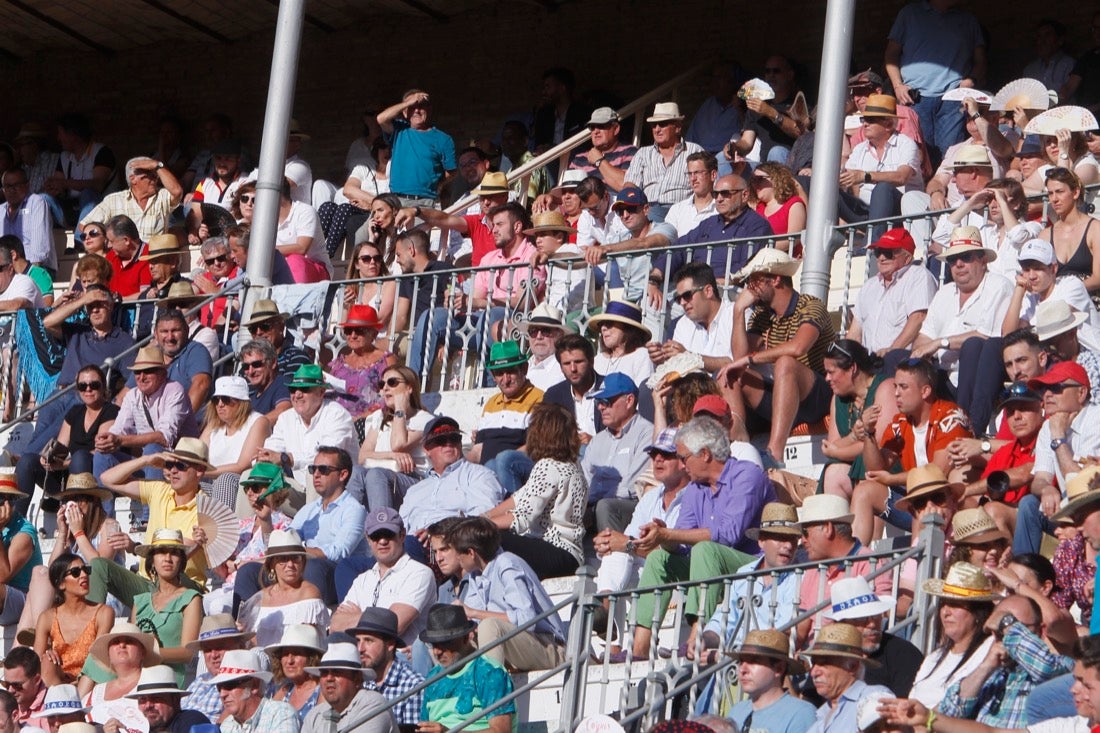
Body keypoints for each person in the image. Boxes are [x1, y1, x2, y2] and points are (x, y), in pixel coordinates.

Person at [629, 416, 773, 658]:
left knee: (705, 550)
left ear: (705, 454)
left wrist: (670, 533)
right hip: (714, 566)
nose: (683, 466)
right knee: (658, 559)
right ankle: (639, 648)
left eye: (684, 458)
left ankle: (697, 636)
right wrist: (663, 538)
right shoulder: (696, 489)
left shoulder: (747, 475)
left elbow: (728, 535)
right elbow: (682, 543)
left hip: (753, 566)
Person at [725, 248, 835, 468]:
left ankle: (774, 453)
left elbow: (798, 347)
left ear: (775, 279)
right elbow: (739, 357)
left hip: (819, 393)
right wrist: (738, 310)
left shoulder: (810, 305)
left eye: (754, 281)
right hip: (784, 392)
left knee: (786, 363)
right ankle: (738, 441)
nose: (749, 288)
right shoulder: (761, 314)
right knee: (730, 373)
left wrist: (751, 359)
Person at [853, 356, 972, 544]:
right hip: (916, 503)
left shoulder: (951, 416)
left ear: (925, 391)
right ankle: (854, 562)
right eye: (895, 387)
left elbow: (937, 473)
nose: (896, 394)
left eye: (903, 387)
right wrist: (868, 433)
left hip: (945, 503)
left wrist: (892, 479)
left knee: (933, 497)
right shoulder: (900, 422)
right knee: (864, 491)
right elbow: (875, 468)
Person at [235, 447, 367, 607]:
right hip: (305, 568)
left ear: (343, 474)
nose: (316, 474)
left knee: (313, 566)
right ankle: (250, 624)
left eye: (323, 469)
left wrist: (298, 552)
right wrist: (266, 521)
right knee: (248, 572)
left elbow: (338, 553)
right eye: (313, 469)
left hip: (336, 575)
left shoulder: (354, 510)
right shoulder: (310, 510)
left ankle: (310, 621)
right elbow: (281, 544)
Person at [94, 438, 212, 606]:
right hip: (147, 582)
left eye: (181, 466)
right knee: (99, 566)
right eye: (169, 464)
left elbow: (175, 557)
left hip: (183, 586)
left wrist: (135, 548)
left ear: (199, 471)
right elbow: (107, 479)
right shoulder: (159, 489)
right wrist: (146, 460)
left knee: (167, 571)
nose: (173, 471)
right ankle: (90, 625)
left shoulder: (206, 509)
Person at [447, 517, 567, 672]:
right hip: (515, 647)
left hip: (549, 647)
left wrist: (473, 613)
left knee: (489, 625)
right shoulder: (474, 576)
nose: (456, 558)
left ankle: (492, 692)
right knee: (447, 638)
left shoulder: (507, 564)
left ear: (471, 553)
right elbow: (475, 623)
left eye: (458, 553)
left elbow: (526, 620)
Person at [483, 403, 589, 579]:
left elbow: (522, 518)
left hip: (556, 550)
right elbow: (519, 497)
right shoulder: (574, 467)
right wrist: (485, 516)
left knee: (488, 538)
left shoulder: (547, 466)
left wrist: (480, 526)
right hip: (572, 554)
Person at [884, 0, 987, 164]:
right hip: (914, 98)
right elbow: (891, 55)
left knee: (951, 155)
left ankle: (943, 189)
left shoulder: (968, 20)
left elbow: (980, 60)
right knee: (919, 157)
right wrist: (897, 85)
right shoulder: (909, 13)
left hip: (953, 99)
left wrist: (971, 80)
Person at [331, 509, 437, 648]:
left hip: (402, 660)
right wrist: (380, 617)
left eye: (388, 534)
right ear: (368, 540)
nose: (382, 541)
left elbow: (394, 626)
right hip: (363, 659)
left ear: (402, 535)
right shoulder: (362, 580)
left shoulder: (419, 573)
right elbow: (335, 625)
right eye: (376, 536)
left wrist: (358, 616)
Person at [398, 416, 505, 546]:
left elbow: (485, 517)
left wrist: (438, 532)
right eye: (441, 440)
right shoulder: (414, 491)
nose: (448, 443)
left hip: (454, 545)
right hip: (412, 547)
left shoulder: (479, 475)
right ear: (426, 449)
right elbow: (399, 527)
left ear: (460, 443)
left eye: (454, 439)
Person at [907, 562, 996, 709]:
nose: (945, 612)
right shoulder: (934, 657)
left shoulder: (988, 651)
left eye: (955, 604)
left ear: (978, 613)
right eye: (944, 604)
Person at [262, 364, 358, 497]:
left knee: (317, 472)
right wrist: (263, 459)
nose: (297, 395)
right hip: (299, 490)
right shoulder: (286, 418)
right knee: (251, 476)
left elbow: (327, 460)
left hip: (339, 493)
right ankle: (248, 519)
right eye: (293, 389)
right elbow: (272, 450)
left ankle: (317, 518)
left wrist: (288, 459)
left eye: (304, 389)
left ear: (321, 392)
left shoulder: (337, 414)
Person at [417, 604, 515, 733]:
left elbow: (502, 731)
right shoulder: (433, 677)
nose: (436, 652)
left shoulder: (489, 672)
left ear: (466, 638)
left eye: (445, 643)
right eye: (433, 644)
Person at [819, 339, 897, 501]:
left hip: (887, 468)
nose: (826, 378)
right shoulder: (837, 399)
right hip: (858, 470)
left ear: (852, 368)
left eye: (831, 372)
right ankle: (837, 527)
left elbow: (879, 447)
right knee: (833, 472)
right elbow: (831, 445)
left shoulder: (885, 388)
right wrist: (853, 436)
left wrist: (837, 452)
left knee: (867, 466)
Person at [836, 94, 923, 234]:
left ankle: (872, 243)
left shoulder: (906, 144)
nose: (864, 124)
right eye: (864, 119)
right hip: (867, 213)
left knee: (883, 188)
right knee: (825, 190)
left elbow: (902, 177)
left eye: (870, 120)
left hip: (899, 213)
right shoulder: (860, 149)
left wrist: (866, 176)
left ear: (888, 124)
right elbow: (854, 184)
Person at [823, 576, 923, 697]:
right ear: (841, 624)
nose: (871, 624)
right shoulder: (828, 653)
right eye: (861, 618)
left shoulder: (903, 654)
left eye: (876, 615)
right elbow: (810, 701)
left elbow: (904, 708)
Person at [848, 228, 939, 360]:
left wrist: (892, 352)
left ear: (907, 258)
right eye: (878, 252)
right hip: (870, 364)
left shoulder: (918, 276)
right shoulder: (869, 286)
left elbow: (918, 318)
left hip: (902, 361)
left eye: (888, 253)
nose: (881, 258)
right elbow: (855, 331)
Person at [130, 529, 202, 686]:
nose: (168, 559)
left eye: (174, 553)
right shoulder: (140, 601)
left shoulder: (191, 598)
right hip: (139, 679)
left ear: (181, 561)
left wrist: (150, 653)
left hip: (171, 682)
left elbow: (188, 652)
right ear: (152, 560)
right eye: (161, 552)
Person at [236, 529, 330, 647]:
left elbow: (308, 641)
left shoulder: (309, 593)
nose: (290, 565)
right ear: (272, 564)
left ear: (303, 562)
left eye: (296, 558)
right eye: (283, 559)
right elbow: (252, 642)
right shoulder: (260, 597)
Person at [33, 553, 113, 690]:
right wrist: (46, 654)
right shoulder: (47, 617)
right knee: (46, 660)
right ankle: (58, 702)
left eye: (86, 570)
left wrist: (78, 684)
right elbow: (35, 662)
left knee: (94, 665)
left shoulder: (103, 612)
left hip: (91, 681)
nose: (84, 575)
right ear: (61, 584)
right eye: (75, 572)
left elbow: (97, 658)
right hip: (58, 683)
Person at [358, 365, 433, 506]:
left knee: (376, 475)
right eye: (382, 384)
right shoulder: (379, 417)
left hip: (413, 479)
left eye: (392, 382)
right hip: (380, 473)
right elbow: (362, 456)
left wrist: (400, 410)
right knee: (356, 472)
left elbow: (398, 444)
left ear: (409, 388)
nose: (385, 388)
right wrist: (392, 455)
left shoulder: (424, 419)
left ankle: (382, 525)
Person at [582, 373, 654, 514]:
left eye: (606, 401)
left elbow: (632, 487)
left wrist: (595, 498)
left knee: (605, 507)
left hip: (629, 508)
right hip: (593, 508)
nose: (600, 407)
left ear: (629, 401)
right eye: (598, 402)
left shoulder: (647, 433)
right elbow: (584, 480)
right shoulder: (598, 440)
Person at [802, 623, 894, 733]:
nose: (813, 672)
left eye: (824, 663)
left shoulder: (874, 697)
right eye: (813, 663)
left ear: (853, 666)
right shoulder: (821, 715)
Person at [200, 375, 271, 510]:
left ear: (241, 402)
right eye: (216, 400)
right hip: (214, 487)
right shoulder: (214, 425)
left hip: (243, 487)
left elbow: (241, 466)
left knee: (225, 480)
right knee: (184, 485)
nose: (220, 404)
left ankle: (222, 529)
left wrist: (200, 473)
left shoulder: (258, 422)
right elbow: (196, 455)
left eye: (226, 400)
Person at [725, 629, 817, 733]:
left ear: (779, 669)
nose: (742, 670)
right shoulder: (737, 711)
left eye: (754, 661)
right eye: (740, 662)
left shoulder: (801, 714)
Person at [623, 102, 703, 221]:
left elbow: (705, 185)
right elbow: (630, 185)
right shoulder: (643, 153)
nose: (657, 129)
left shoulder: (694, 150)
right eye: (654, 125)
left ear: (677, 127)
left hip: (683, 210)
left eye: (663, 124)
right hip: (649, 210)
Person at [377, 89, 456, 206]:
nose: (417, 111)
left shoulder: (443, 139)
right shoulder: (399, 129)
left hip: (426, 201)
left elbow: (451, 171)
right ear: (404, 112)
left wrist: (438, 184)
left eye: (421, 106)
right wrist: (408, 102)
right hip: (397, 201)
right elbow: (381, 118)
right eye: (412, 107)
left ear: (429, 110)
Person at [348, 607, 424, 727]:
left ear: (390, 645)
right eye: (358, 641)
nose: (360, 649)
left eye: (368, 641)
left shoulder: (413, 687)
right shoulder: (357, 682)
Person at [79, 156, 183, 243]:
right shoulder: (114, 200)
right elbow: (85, 225)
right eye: (149, 176)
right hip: (123, 259)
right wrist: (110, 241)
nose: (154, 180)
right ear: (133, 179)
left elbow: (177, 191)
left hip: (153, 259)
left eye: (155, 176)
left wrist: (157, 166)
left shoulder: (161, 196)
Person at [86, 620, 163, 733]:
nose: (122, 645)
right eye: (116, 642)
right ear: (109, 654)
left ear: (143, 652)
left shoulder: (155, 687)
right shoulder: (96, 693)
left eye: (129, 641)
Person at [300, 643, 396, 733]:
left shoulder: (374, 705)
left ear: (357, 678)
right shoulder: (314, 715)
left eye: (337, 672)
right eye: (324, 673)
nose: (329, 678)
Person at [324, 305, 395, 424]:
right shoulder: (338, 363)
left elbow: (392, 394)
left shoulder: (386, 359)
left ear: (374, 334)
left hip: (368, 421)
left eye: (359, 331)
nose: (353, 335)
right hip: (336, 421)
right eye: (348, 331)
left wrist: (364, 416)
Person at [1041, 167, 1100, 301]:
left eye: (1060, 192)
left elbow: (1098, 277)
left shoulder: (1095, 229)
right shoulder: (1045, 235)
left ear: (1075, 193)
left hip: (1090, 304)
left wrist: (1066, 291)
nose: (1054, 199)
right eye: (1050, 193)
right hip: (1056, 307)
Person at [182, 613, 253, 721]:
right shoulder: (199, 681)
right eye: (208, 650)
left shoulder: (247, 681)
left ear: (240, 647)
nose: (214, 655)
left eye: (220, 647)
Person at [212, 649, 298, 733]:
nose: (222, 694)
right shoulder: (227, 725)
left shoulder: (281, 713)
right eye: (219, 686)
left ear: (254, 685)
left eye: (229, 685)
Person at [543, 333, 603, 444]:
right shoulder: (553, 396)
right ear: (561, 367)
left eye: (578, 362)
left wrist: (596, 443)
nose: (573, 369)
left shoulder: (609, 388)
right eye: (566, 363)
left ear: (591, 362)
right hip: (564, 457)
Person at [265, 624, 325, 723]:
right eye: (285, 654)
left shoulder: (321, 692)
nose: (289, 661)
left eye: (297, 653)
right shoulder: (284, 691)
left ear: (312, 658)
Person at [126, 665, 210, 733]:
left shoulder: (191, 720)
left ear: (175, 700)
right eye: (142, 699)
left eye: (156, 698)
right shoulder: (134, 725)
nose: (148, 705)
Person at [569, 108, 636, 191]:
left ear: (615, 129)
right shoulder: (579, 159)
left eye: (601, 126)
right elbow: (567, 192)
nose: (596, 131)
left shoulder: (630, 152)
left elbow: (626, 187)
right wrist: (552, 197)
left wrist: (599, 161)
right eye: (592, 127)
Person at [751, 163, 806, 254]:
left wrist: (764, 248)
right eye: (752, 180)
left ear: (775, 179)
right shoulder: (756, 207)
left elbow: (794, 239)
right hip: (760, 261)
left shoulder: (794, 204)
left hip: (786, 262)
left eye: (759, 179)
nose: (755, 184)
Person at [240, 338, 292, 423]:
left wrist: (254, 427)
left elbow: (284, 411)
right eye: (246, 366)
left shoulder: (282, 384)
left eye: (256, 364)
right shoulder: (251, 398)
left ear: (273, 363)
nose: (250, 371)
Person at [2, 647, 45, 725]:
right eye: (7, 684)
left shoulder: (51, 708)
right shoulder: (3, 706)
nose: (10, 690)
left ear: (36, 680)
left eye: (17, 685)